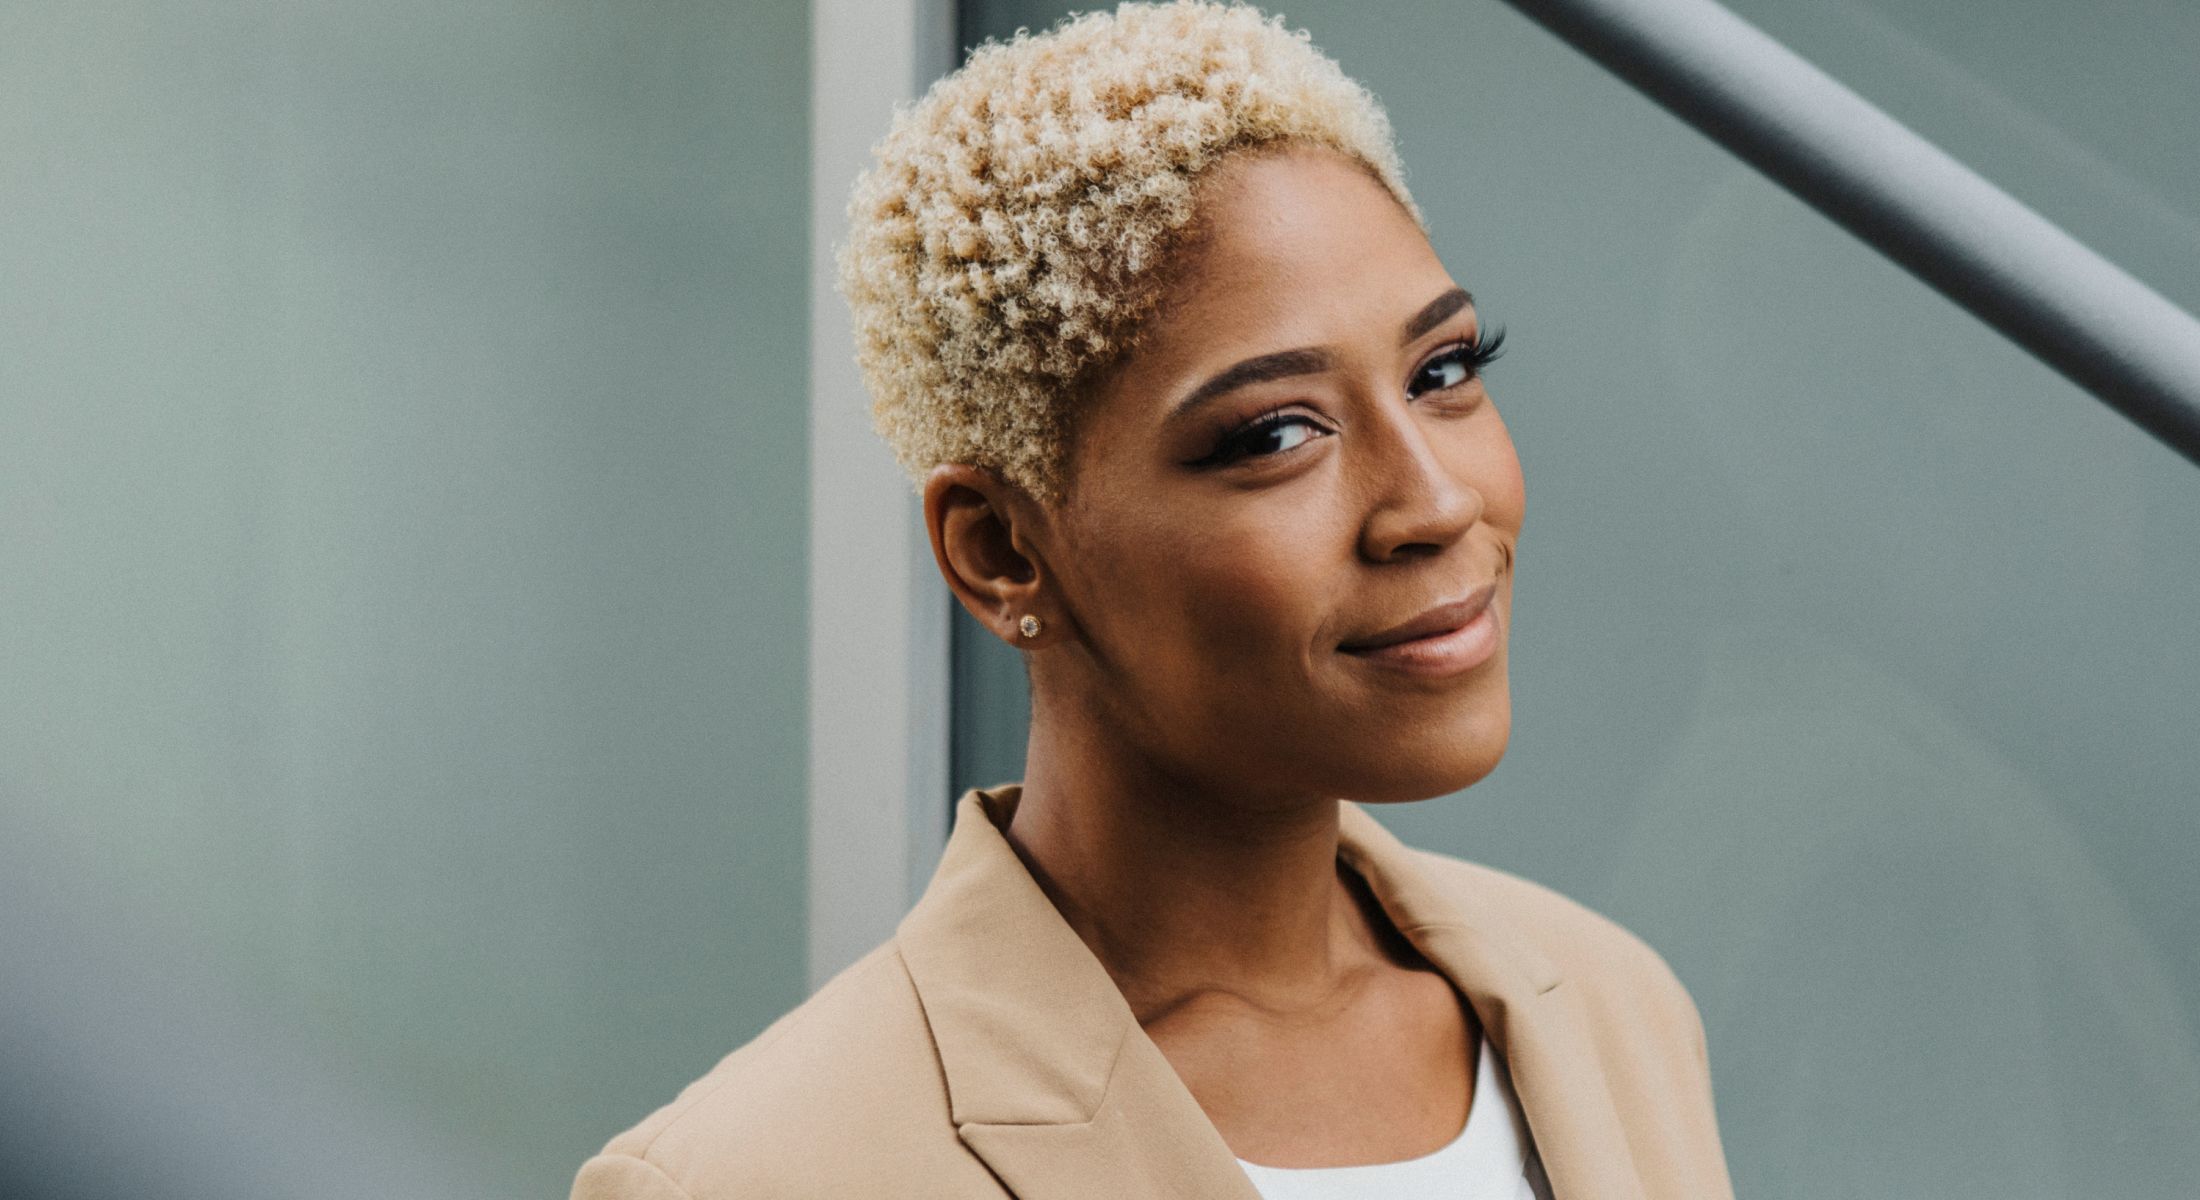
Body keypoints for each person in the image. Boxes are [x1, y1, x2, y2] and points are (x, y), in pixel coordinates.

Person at [571, 3, 1732, 1196]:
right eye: (1276, 433)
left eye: (1443, 372)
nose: (1434, 503)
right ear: (1000, 550)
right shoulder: (756, 1177)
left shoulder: (1608, 1006)